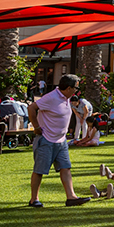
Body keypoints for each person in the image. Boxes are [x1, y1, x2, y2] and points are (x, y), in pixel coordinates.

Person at [27, 75, 85, 209]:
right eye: (76, 87)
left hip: (61, 140)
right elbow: (31, 108)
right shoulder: (51, 97)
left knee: (65, 167)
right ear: (69, 87)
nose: (77, 91)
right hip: (46, 139)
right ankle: (34, 199)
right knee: (39, 170)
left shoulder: (67, 97)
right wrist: (36, 127)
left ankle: (71, 197)